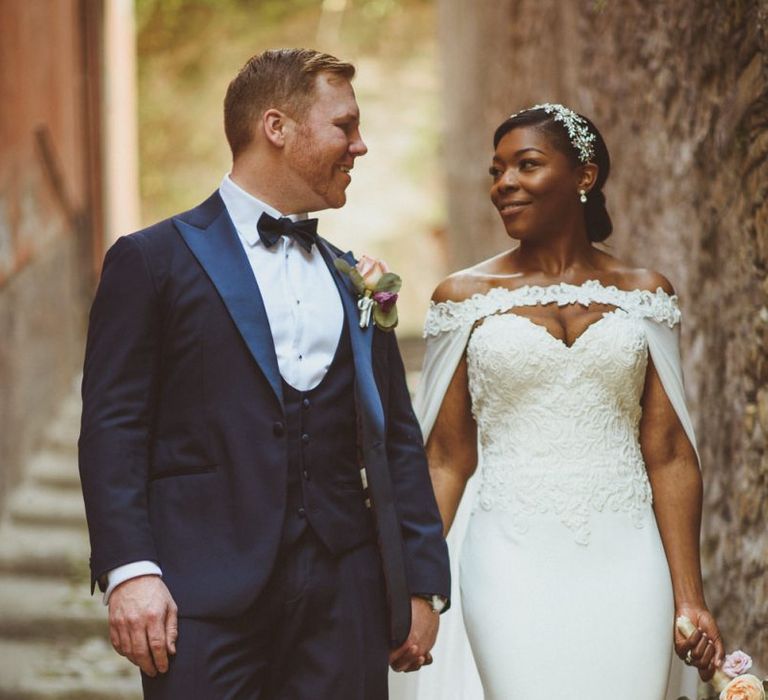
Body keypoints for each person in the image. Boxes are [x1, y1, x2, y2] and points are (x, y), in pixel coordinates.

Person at [78, 48, 450, 699]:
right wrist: (130, 569)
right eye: (345, 126)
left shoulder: (353, 277)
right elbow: (114, 425)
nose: (359, 147)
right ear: (276, 128)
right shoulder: (151, 261)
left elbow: (393, 436)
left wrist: (421, 582)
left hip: (344, 598)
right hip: (201, 593)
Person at [396, 104, 723, 700]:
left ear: (584, 176)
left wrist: (690, 597)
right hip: (508, 559)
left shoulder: (644, 294)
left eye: (526, 165)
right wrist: (416, 588)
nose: (504, 184)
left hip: (630, 558)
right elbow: (445, 459)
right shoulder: (463, 298)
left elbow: (670, 454)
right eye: (497, 171)